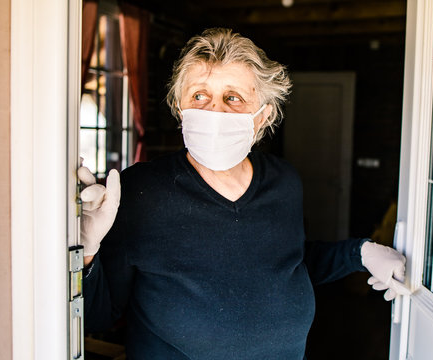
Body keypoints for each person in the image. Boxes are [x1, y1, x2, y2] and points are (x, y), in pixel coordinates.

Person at [80, 28, 409, 360]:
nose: (214, 111)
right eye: (198, 96)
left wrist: (361, 253)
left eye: (232, 97)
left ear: (262, 116)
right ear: (181, 109)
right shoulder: (141, 190)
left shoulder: (284, 181)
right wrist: (87, 251)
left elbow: (287, 261)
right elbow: (99, 314)